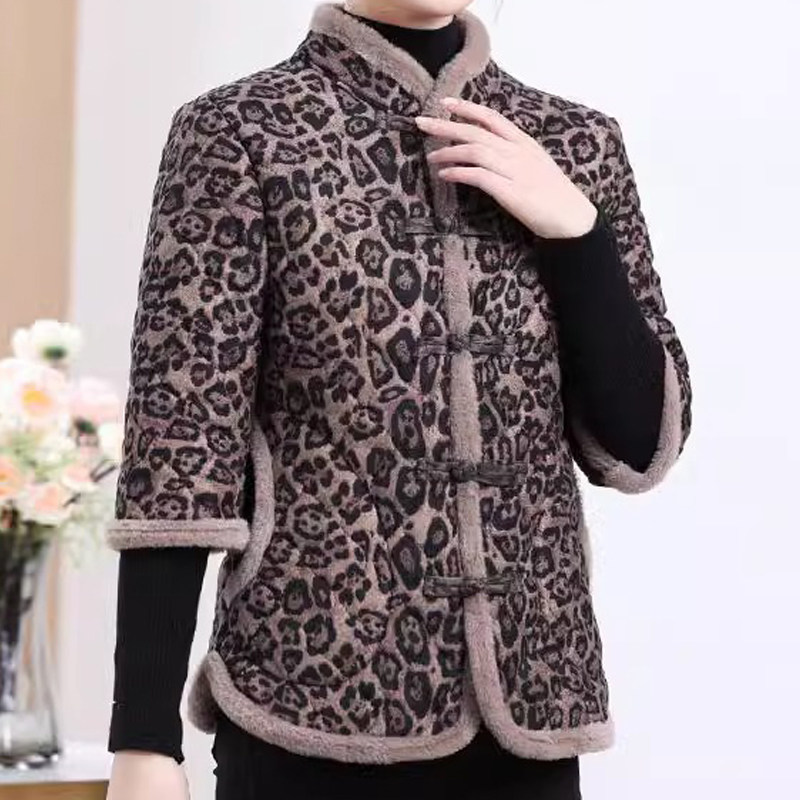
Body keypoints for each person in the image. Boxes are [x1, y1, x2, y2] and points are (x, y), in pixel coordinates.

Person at [105, 1, 692, 798]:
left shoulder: (576, 143)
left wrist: (578, 236)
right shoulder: (240, 131)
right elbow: (181, 442)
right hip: (307, 703)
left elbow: (640, 443)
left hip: (531, 709)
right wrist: (144, 740)